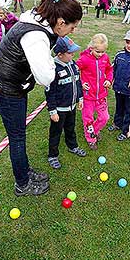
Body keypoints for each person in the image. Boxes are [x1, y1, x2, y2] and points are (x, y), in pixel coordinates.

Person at [0, 0, 82, 196]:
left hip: (15, 82)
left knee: (19, 133)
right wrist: (52, 63)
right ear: (61, 21)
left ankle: (25, 171)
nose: (72, 31)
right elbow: (46, 77)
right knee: (17, 136)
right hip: (6, 85)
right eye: (72, 27)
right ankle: (22, 183)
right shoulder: (36, 36)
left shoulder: (42, 22)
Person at [45, 36, 87, 169]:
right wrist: (53, 111)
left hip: (72, 107)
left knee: (70, 128)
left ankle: (72, 146)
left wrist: (80, 98)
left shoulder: (73, 64)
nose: (73, 55)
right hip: (59, 110)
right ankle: (53, 155)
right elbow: (49, 92)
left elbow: (78, 83)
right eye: (70, 53)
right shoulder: (53, 69)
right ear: (60, 54)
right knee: (55, 133)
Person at [76, 33, 113, 150]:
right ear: (91, 48)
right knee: (88, 119)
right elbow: (74, 71)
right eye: (98, 52)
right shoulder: (84, 59)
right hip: (88, 97)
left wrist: (108, 80)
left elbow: (109, 69)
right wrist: (81, 83)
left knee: (105, 117)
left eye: (103, 52)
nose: (101, 54)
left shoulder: (105, 58)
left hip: (101, 95)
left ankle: (95, 130)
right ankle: (90, 138)